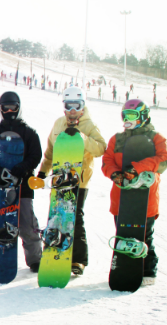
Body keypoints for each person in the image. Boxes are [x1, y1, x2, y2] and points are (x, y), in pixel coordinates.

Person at [36, 87, 106, 276]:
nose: (73, 110)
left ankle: (78, 260)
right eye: (69, 106)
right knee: (56, 216)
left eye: (77, 105)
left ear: (83, 106)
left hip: (79, 180)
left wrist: (83, 138)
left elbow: (101, 148)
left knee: (76, 217)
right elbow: (50, 151)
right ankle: (52, 253)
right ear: (64, 107)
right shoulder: (58, 124)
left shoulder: (89, 125)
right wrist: (43, 172)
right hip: (59, 179)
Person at [101, 100, 167, 286]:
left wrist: (138, 168)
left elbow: (164, 159)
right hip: (121, 196)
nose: (127, 120)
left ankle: (148, 269)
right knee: (123, 232)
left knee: (145, 234)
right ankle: (125, 268)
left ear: (143, 116)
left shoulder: (156, 138)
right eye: (125, 115)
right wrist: (114, 173)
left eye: (132, 115)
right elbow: (107, 160)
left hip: (145, 196)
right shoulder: (117, 139)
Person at [0, 91, 44, 272]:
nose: (10, 111)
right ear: (1, 110)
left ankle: (34, 258)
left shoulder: (29, 133)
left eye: (13, 108)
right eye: (6, 108)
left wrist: (23, 167)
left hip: (22, 186)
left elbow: (35, 155)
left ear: (19, 108)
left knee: (26, 223)